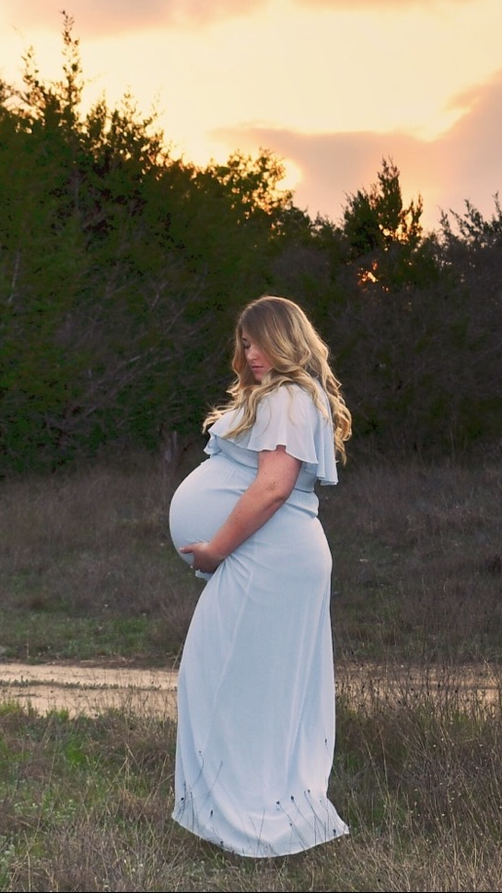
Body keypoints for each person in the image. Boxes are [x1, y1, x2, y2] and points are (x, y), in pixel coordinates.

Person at [168, 294, 352, 858]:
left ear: (287, 339)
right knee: (240, 686)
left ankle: (255, 823)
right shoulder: (283, 396)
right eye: (245, 343)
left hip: (270, 560)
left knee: (242, 688)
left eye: (260, 342)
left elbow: (273, 487)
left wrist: (214, 551)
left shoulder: (290, 396)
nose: (250, 353)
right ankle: (241, 817)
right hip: (267, 558)